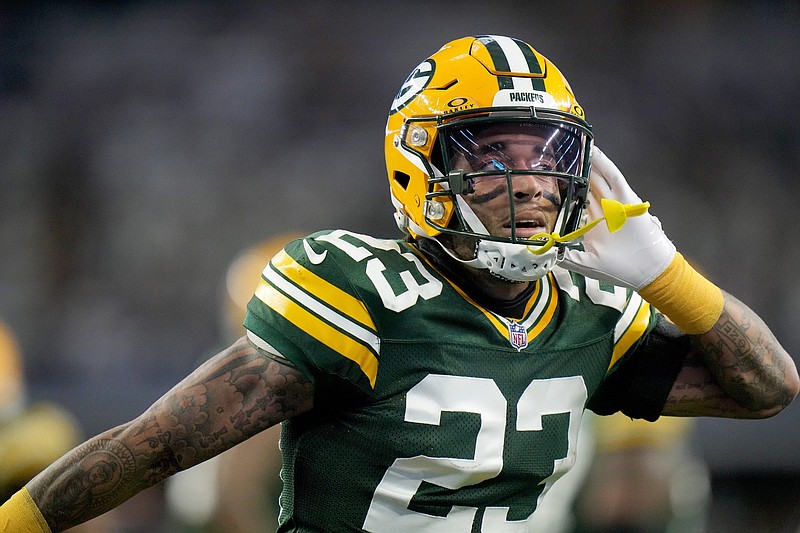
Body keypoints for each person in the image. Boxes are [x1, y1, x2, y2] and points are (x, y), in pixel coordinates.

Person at [1, 34, 797, 533]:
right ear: (421, 170)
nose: (528, 184)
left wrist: (668, 274)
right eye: (489, 156)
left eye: (546, 156)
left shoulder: (588, 314)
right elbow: (159, 444)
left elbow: (767, 388)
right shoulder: (363, 297)